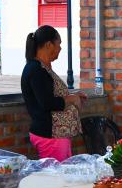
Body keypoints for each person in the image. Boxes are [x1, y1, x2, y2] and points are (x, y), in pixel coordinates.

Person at [20, 25, 86, 161]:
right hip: (49, 135)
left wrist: (74, 95)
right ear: (49, 45)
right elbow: (47, 102)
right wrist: (72, 99)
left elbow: (53, 94)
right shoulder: (36, 70)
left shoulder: (43, 68)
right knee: (56, 178)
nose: (60, 49)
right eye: (59, 44)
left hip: (56, 136)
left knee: (62, 176)